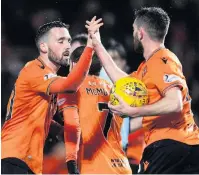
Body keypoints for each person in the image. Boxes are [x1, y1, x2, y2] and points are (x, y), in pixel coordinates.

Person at [86, 7, 199, 173]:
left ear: (140, 33)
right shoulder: (147, 67)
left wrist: (134, 110)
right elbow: (121, 80)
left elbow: (175, 102)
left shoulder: (162, 60)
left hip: (169, 145)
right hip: (185, 146)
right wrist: (97, 44)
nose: (133, 35)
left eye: (133, 30)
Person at [1, 17, 103, 174]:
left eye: (69, 40)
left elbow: (33, 116)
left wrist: (60, 131)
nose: (68, 46)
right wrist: (90, 46)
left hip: (27, 162)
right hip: (13, 158)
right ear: (43, 46)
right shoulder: (34, 70)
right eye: (60, 41)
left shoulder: (49, 80)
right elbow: (71, 84)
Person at [57, 45, 132, 174]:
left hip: (94, 167)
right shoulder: (113, 89)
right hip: (121, 166)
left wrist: (71, 163)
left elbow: (72, 126)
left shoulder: (72, 88)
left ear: (75, 65)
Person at [99, 38, 130, 152]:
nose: (110, 64)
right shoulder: (97, 83)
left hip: (122, 150)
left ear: (124, 62)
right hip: (104, 149)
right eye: (108, 59)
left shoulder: (133, 87)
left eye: (115, 59)